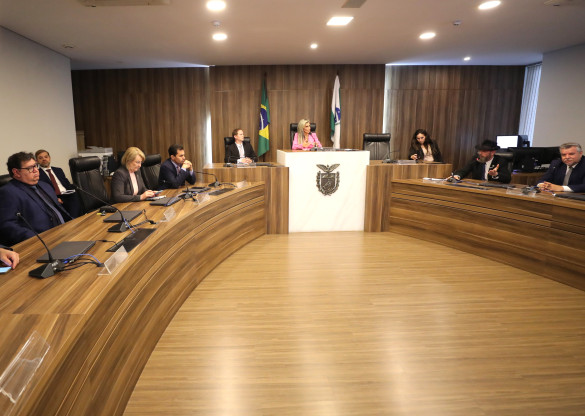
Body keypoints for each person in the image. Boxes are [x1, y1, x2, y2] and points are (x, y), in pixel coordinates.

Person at [0, 152, 71, 246]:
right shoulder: (8, 192)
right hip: (42, 243)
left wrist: (73, 223)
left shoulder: (45, 185)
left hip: (65, 233)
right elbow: (8, 225)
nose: (36, 170)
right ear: (16, 172)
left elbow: (59, 210)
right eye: (30, 168)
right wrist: (38, 239)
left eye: (35, 166)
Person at [35, 149, 82, 217]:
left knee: (77, 196)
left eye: (46, 157)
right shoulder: (37, 174)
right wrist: (54, 198)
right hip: (55, 197)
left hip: (67, 194)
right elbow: (41, 191)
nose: (44, 159)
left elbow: (67, 184)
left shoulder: (58, 170)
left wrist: (73, 190)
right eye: (40, 158)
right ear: (36, 161)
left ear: (49, 158)